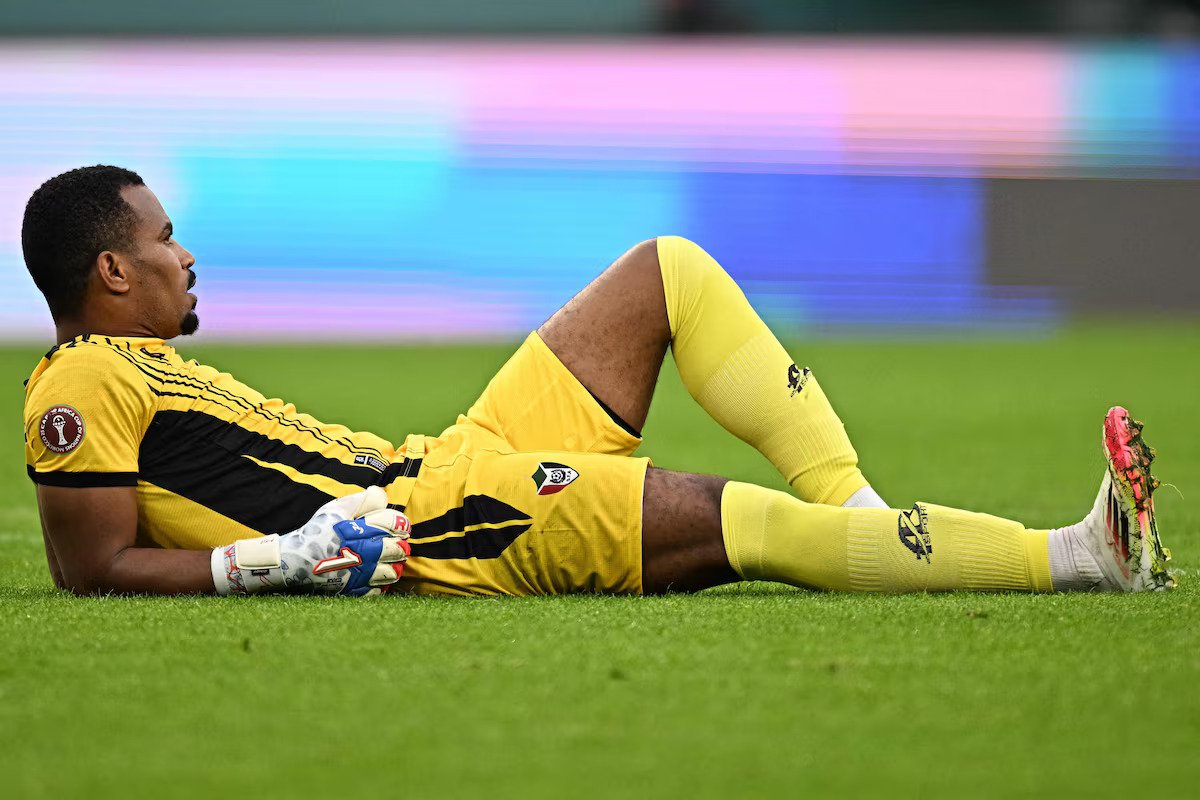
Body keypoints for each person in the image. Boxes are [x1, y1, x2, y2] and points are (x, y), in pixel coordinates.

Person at [20, 165, 1175, 599]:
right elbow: (88, 567)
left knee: (667, 271)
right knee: (745, 521)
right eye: (163, 239)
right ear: (112, 268)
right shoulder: (78, 385)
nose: (185, 253)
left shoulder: (140, 365)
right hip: (442, 527)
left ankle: (864, 516)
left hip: (443, 458)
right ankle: (1081, 556)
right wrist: (268, 561)